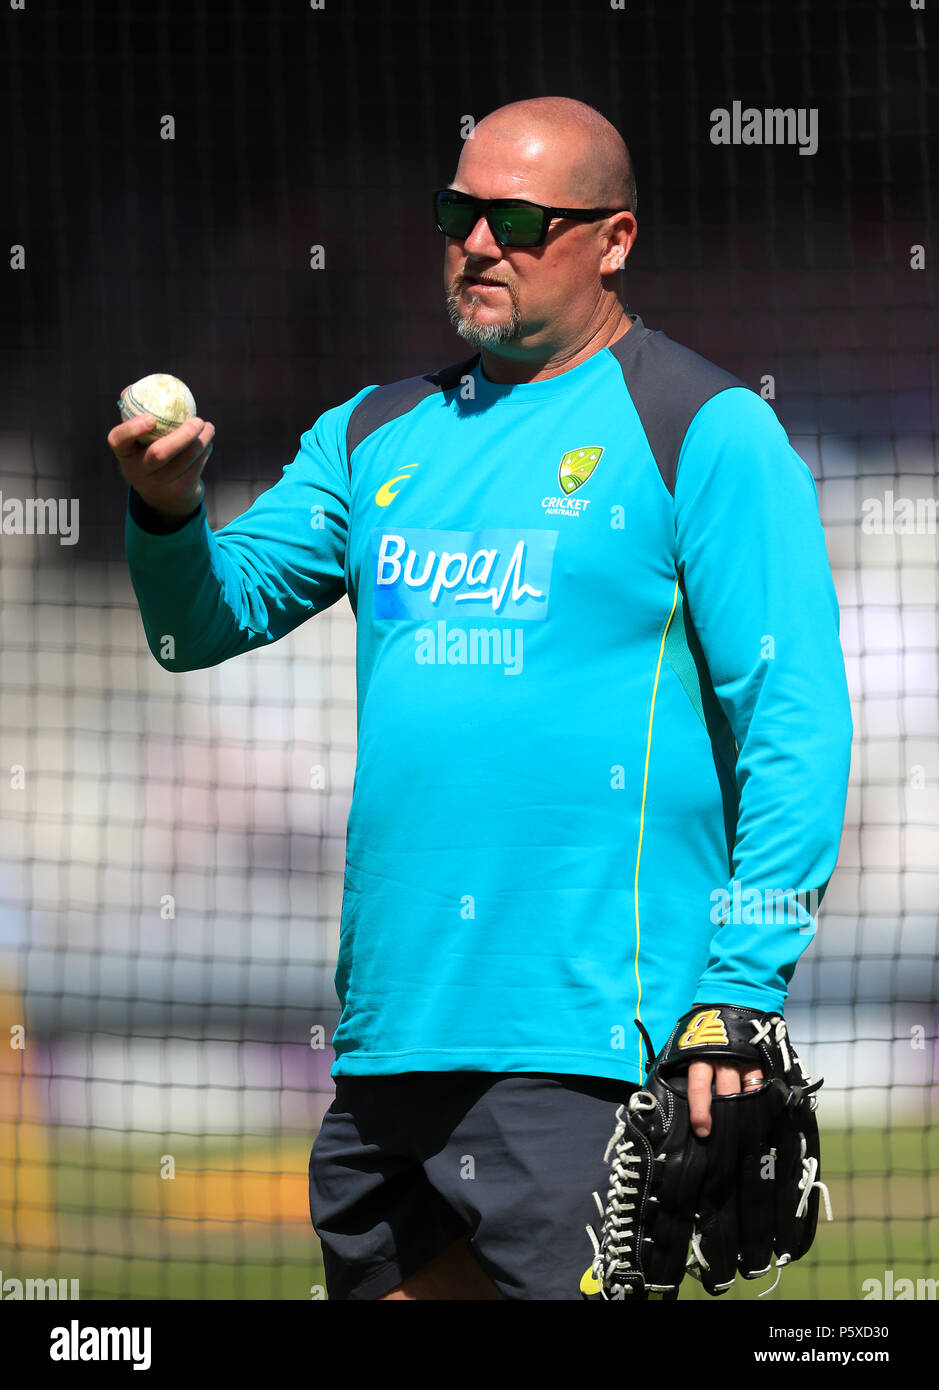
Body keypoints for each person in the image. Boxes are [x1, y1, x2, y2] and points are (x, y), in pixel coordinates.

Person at [110, 96, 853, 1300]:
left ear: (614, 240)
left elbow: (796, 723)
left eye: (520, 218)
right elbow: (200, 622)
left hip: (591, 1048)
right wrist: (164, 510)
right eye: (460, 212)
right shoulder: (374, 432)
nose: (480, 241)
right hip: (395, 1041)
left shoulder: (704, 430)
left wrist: (738, 987)